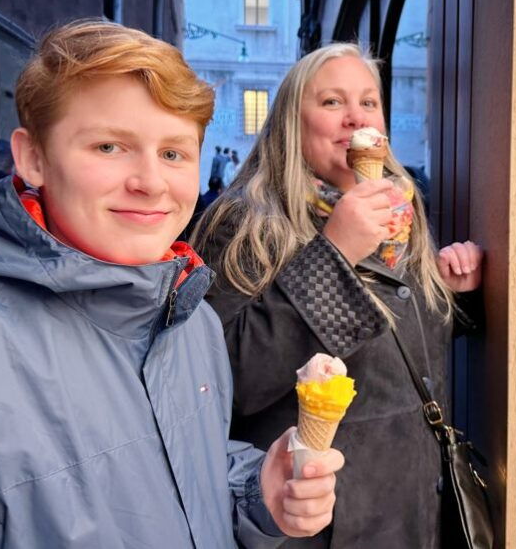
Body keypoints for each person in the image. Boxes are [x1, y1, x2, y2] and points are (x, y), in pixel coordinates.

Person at [0, 20, 343, 547]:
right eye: (109, 147)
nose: (150, 182)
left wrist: (255, 490)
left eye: (173, 153)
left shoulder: (190, 317)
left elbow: (171, 476)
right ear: (33, 157)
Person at [193, 43, 483, 548]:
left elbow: (401, 357)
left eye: (368, 103)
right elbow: (221, 379)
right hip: (320, 523)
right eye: (331, 103)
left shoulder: (401, 217)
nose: (355, 118)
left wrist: (453, 295)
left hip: (414, 507)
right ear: (292, 122)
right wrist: (336, 253)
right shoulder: (244, 223)